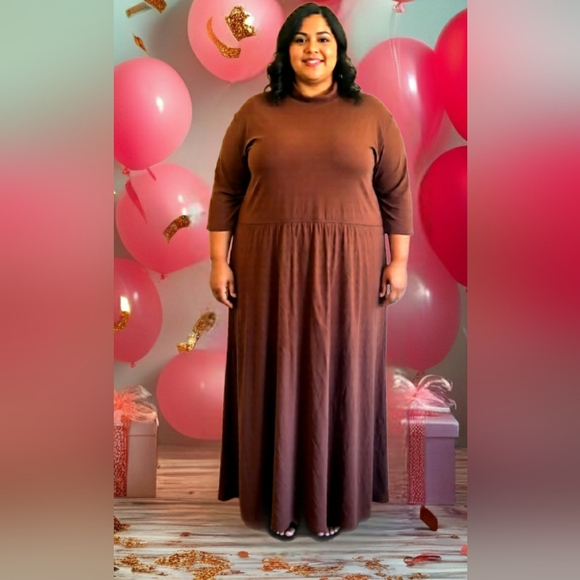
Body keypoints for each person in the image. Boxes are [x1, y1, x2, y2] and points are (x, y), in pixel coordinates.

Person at [207, 2, 412, 541]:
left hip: (352, 270)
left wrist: (398, 261)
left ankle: (335, 501)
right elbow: (226, 190)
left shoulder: (373, 114)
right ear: (286, 51)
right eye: (300, 39)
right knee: (271, 372)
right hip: (265, 265)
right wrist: (218, 261)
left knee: (340, 375)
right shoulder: (254, 112)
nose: (312, 49)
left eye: (323, 39)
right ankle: (276, 503)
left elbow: (395, 192)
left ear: (339, 49)